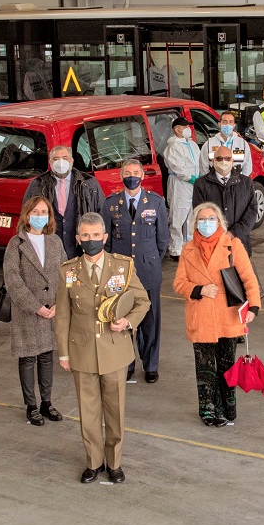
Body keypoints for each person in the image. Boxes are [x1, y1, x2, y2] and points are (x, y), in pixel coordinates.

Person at [55, 212, 151, 484]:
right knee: (89, 412)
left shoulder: (123, 266)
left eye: (96, 236)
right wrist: (63, 353)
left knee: (115, 410)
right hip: (82, 351)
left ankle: (114, 462)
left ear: (105, 237)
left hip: (114, 350)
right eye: (85, 236)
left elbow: (142, 301)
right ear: (77, 238)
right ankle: (94, 462)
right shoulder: (68, 271)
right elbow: (63, 315)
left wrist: (128, 322)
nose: (91, 240)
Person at [174, 202, 262, 426]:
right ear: (195, 223)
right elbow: (178, 283)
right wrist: (198, 290)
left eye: (210, 218)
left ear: (219, 222)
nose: (206, 223)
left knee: (226, 365)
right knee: (204, 368)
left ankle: (225, 407)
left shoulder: (233, 246)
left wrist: (253, 306)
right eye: (201, 219)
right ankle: (207, 409)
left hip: (227, 316)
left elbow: (248, 278)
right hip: (200, 316)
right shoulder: (188, 249)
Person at [102, 160, 170, 382]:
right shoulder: (111, 203)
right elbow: (107, 241)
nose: (131, 176)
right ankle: (127, 362)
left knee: (150, 320)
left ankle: (151, 365)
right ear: (121, 176)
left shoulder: (156, 202)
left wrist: (150, 261)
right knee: (121, 319)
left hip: (148, 270)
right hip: (120, 273)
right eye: (127, 173)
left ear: (142, 175)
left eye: (135, 172)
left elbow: (162, 240)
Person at [1, 197, 66, 426]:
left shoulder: (55, 242)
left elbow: (65, 274)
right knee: (28, 357)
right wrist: (36, 307)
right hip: (28, 311)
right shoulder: (15, 244)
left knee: (47, 356)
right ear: (27, 215)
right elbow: (13, 280)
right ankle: (31, 405)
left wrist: (60, 303)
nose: (40, 215)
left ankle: (46, 403)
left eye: (44, 211)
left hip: (52, 309)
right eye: (35, 211)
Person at [23, 145, 105, 259]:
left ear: (72, 161)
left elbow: (101, 214)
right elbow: (26, 216)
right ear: (50, 162)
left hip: (80, 250)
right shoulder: (37, 184)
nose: (61, 162)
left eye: (65, 158)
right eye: (56, 159)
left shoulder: (89, 183)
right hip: (48, 249)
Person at [191, 145, 259, 254]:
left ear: (232, 160)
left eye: (227, 159)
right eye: (219, 158)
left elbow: (251, 213)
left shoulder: (246, 183)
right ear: (213, 161)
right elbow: (200, 214)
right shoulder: (201, 184)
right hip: (212, 245)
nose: (223, 162)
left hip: (240, 243)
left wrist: (232, 234)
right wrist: (219, 237)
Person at [163, 116, 201, 259]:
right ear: (177, 130)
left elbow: (198, 163)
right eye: (185, 127)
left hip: (194, 184)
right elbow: (178, 167)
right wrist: (190, 178)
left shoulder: (192, 145)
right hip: (179, 184)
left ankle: (189, 243)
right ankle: (176, 249)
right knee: (178, 215)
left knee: (191, 214)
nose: (188, 130)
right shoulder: (173, 146)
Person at [200, 111, 253, 177]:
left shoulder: (242, 144)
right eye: (225, 122)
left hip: (237, 183)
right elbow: (203, 167)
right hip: (214, 183)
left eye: (230, 122)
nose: (227, 124)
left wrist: (241, 182)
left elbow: (247, 167)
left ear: (234, 125)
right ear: (219, 124)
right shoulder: (209, 144)